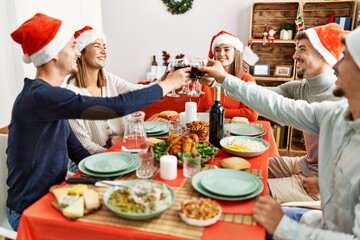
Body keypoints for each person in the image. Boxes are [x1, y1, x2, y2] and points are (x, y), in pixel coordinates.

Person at [7, 13, 189, 231]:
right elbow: (113, 108)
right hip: (30, 211)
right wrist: (167, 85)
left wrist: (125, 169)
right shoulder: (41, 96)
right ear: (53, 53)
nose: (77, 52)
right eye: (73, 45)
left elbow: (79, 152)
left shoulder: (49, 98)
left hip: (58, 196)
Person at [199, 26, 360, 239]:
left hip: (316, 188)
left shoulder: (336, 106)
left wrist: (321, 183)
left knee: (243, 193)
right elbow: (272, 102)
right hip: (307, 171)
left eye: (345, 58)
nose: (337, 64)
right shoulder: (333, 109)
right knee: (237, 164)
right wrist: (222, 80)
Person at [265, 23, 347, 203]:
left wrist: (325, 184)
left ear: (323, 53)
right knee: (253, 165)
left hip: (318, 184)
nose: (294, 56)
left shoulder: (343, 98)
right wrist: (218, 82)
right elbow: (261, 95)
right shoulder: (301, 88)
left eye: (302, 49)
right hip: (305, 164)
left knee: (254, 192)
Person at [65, 26, 160, 156]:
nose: (103, 51)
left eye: (104, 46)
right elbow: (85, 146)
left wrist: (166, 80)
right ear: (81, 53)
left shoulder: (109, 79)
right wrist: (119, 153)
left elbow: (139, 91)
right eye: (97, 46)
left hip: (122, 146)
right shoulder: (71, 94)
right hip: (95, 157)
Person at [197, 30, 258, 120]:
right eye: (217, 50)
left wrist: (216, 112)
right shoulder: (208, 79)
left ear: (235, 53)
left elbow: (252, 114)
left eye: (226, 49)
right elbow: (200, 113)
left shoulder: (247, 79)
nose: (221, 54)